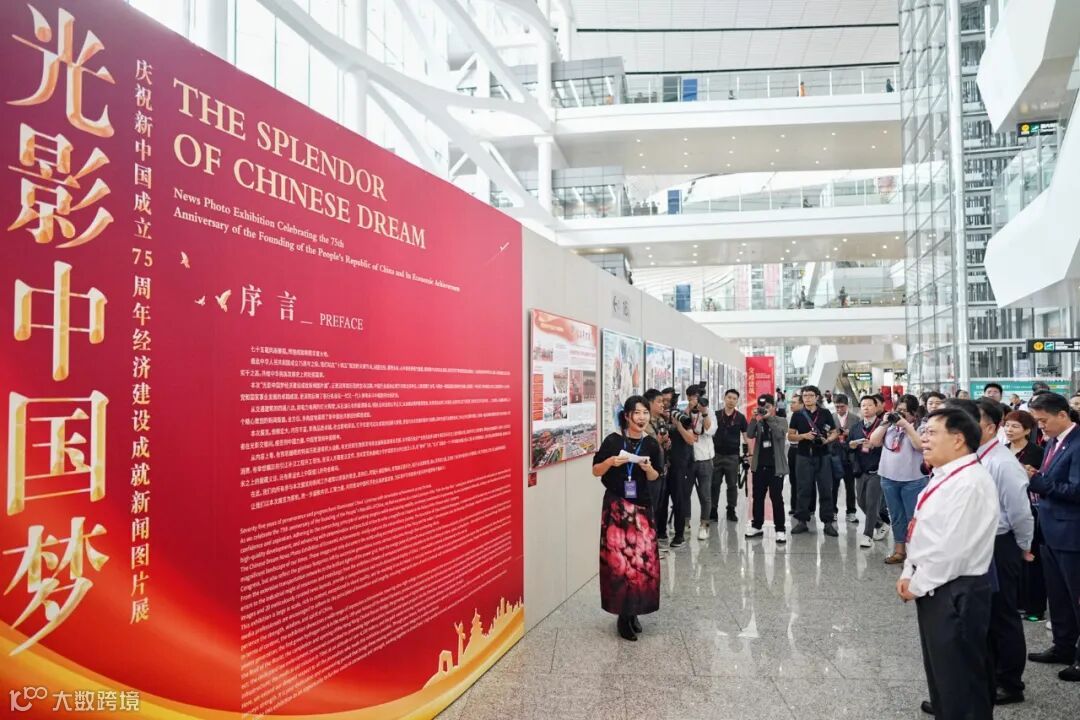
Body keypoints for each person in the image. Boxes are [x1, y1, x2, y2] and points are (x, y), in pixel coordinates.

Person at [901, 408, 999, 720]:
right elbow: (924, 531)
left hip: (956, 589)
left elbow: (953, 551)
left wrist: (916, 584)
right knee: (944, 677)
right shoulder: (945, 475)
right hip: (935, 584)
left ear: (958, 440)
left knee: (961, 683)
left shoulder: (970, 483)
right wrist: (909, 570)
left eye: (932, 432)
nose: (924, 439)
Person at [972, 399, 1035, 705]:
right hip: (979, 543)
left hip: (1000, 544)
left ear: (989, 427)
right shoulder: (976, 456)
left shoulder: (1002, 462)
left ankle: (1010, 683)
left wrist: (1023, 546)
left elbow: (1021, 513)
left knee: (1002, 614)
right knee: (984, 615)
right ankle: (987, 677)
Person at [592, 395, 662, 642]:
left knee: (642, 563)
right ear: (627, 416)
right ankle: (623, 615)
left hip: (642, 508)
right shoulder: (613, 441)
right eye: (637, 413)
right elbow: (596, 471)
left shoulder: (651, 443)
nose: (642, 417)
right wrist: (611, 461)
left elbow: (656, 476)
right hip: (616, 509)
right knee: (619, 563)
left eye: (645, 413)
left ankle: (634, 611)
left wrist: (648, 469)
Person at [1024, 392, 1080, 682]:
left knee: (1076, 597)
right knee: (1057, 596)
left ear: (1062, 414)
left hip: (1071, 533)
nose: (1040, 426)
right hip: (1049, 529)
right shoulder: (1053, 442)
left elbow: (1076, 490)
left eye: (1043, 420)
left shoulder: (1078, 444)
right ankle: (1063, 646)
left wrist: (1036, 481)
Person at [873, 393, 927, 564]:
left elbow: (920, 446)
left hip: (913, 479)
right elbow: (874, 441)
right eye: (898, 410)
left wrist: (906, 426)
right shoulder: (890, 426)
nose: (900, 414)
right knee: (896, 516)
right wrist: (884, 423)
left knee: (913, 517)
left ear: (914, 413)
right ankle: (899, 550)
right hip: (889, 477)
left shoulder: (921, 427)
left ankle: (915, 554)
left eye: (904, 411)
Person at [1005, 410, 1047, 622]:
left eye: (1015, 426)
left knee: (1032, 558)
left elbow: (1043, 479)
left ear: (1027, 430)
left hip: (1031, 509)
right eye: (1007, 425)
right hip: (1006, 510)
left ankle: (1034, 608)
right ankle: (1016, 602)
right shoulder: (1003, 451)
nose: (1009, 430)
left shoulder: (1037, 452)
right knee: (1012, 558)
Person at [788, 385, 839, 536]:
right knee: (803, 488)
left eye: (810, 395)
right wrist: (803, 436)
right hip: (803, 455)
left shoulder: (825, 413)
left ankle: (828, 522)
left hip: (822, 455)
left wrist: (827, 440)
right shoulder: (797, 415)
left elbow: (834, 432)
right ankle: (802, 521)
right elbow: (790, 436)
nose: (807, 398)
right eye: (805, 396)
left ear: (817, 397)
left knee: (825, 488)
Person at [745, 394, 788, 543]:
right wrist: (753, 418)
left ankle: (780, 529)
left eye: (768, 407)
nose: (765, 410)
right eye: (762, 407)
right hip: (759, 466)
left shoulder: (781, 420)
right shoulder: (759, 422)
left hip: (776, 467)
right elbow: (750, 434)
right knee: (757, 497)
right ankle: (757, 525)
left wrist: (769, 418)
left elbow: (780, 434)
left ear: (774, 407)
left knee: (776, 498)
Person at [850, 394, 888, 547]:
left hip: (877, 470)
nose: (866, 408)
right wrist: (851, 445)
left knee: (872, 503)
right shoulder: (856, 427)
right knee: (861, 502)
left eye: (869, 405)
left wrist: (875, 445)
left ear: (876, 407)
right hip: (861, 470)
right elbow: (848, 447)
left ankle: (867, 535)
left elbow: (888, 446)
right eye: (863, 405)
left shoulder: (883, 426)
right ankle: (880, 524)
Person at [684, 385, 716, 541]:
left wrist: (704, 413)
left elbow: (711, 430)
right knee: (684, 493)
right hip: (687, 459)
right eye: (691, 398)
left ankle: (704, 525)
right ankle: (685, 523)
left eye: (696, 398)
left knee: (705, 495)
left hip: (704, 458)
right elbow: (680, 428)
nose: (694, 401)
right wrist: (688, 411)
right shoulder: (685, 412)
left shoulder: (709, 412)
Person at [712, 389, 747, 523]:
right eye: (729, 397)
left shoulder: (740, 418)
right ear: (724, 398)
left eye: (734, 399)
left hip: (732, 456)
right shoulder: (716, 415)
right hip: (716, 455)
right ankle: (713, 509)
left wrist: (748, 454)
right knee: (714, 484)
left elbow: (745, 436)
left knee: (732, 485)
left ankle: (731, 510)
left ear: (737, 401)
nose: (731, 401)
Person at [643, 389, 671, 550]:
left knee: (660, 506)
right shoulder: (644, 424)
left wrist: (666, 442)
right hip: (650, 472)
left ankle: (657, 538)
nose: (663, 405)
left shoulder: (661, 421)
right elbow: (647, 448)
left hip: (662, 469)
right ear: (650, 403)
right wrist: (658, 442)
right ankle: (648, 543)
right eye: (659, 402)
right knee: (651, 507)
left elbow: (664, 445)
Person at [831, 394, 859, 523]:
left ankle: (851, 512)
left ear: (847, 406)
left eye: (842, 407)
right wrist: (835, 434)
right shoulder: (831, 417)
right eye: (837, 407)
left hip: (850, 456)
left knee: (850, 486)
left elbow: (860, 435)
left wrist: (850, 433)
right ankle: (833, 511)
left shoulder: (855, 419)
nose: (839, 409)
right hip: (835, 455)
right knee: (833, 486)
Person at [787, 394, 803, 515]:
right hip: (792, 450)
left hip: (802, 450)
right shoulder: (790, 416)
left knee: (802, 479)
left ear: (802, 404)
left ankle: (804, 507)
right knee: (793, 479)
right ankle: (794, 506)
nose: (791, 405)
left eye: (794, 402)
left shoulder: (805, 417)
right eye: (791, 402)